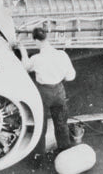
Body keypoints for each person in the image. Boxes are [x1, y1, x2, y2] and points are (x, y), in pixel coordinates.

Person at [18, 27, 76, 160]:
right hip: (59, 91)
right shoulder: (62, 55)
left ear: (36, 41)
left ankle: (39, 156)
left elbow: (25, 67)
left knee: (41, 125)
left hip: (43, 93)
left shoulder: (36, 58)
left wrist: (22, 50)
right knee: (61, 123)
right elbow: (70, 77)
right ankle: (65, 154)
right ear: (47, 38)